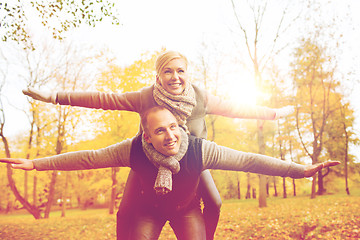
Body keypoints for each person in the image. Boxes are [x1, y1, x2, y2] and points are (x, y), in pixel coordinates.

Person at [22, 50, 294, 239]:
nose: (175, 77)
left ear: (187, 74)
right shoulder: (145, 97)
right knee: (126, 212)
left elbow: (238, 109)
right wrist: (56, 96)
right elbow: (104, 99)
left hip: (192, 160)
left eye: (180, 71)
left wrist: (273, 113)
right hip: (149, 159)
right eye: (168, 71)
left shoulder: (200, 97)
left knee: (215, 201)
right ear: (158, 76)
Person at [0, 106, 340, 239]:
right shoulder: (132, 149)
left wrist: (300, 171)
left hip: (186, 209)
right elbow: (89, 157)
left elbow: (251, 160)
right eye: (160, 131)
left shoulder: (199, 149)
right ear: (146, 135)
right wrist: (37, 163)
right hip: (145, 211)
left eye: (174, 127)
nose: (170, 135)